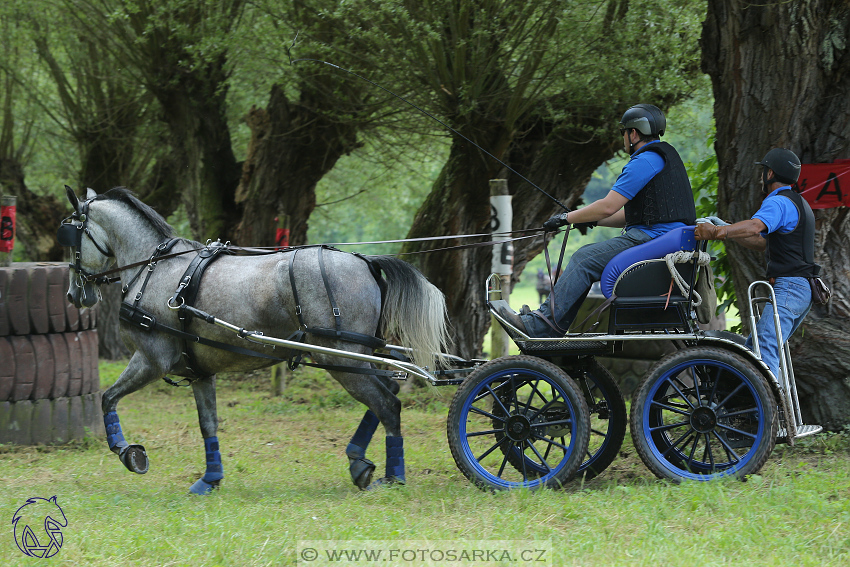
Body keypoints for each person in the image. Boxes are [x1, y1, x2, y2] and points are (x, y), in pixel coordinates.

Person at [496, 104, 696, 337]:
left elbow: (608, 206)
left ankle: (540, 325)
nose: (623, 138)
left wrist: (565, 218)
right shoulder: (663, 158)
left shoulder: (644, 161)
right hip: (660, 237)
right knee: (587, 258)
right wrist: (589, 221)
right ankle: (551, 325)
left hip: (652, 239)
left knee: (584, 258)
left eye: (624, 132)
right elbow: (628, 216)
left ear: (633, 134)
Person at [694, 148, 814, 381]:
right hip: (801, 289)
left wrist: (717, 231)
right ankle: (752, 409)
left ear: (770, 174)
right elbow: (761, 243)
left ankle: (768, 410)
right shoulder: (797, 202)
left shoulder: (778, 202)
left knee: (766, 344)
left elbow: (754, 227)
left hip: (790, 287)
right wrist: (727, 229)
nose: (761, 177)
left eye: (763, 172)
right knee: (755, 347)